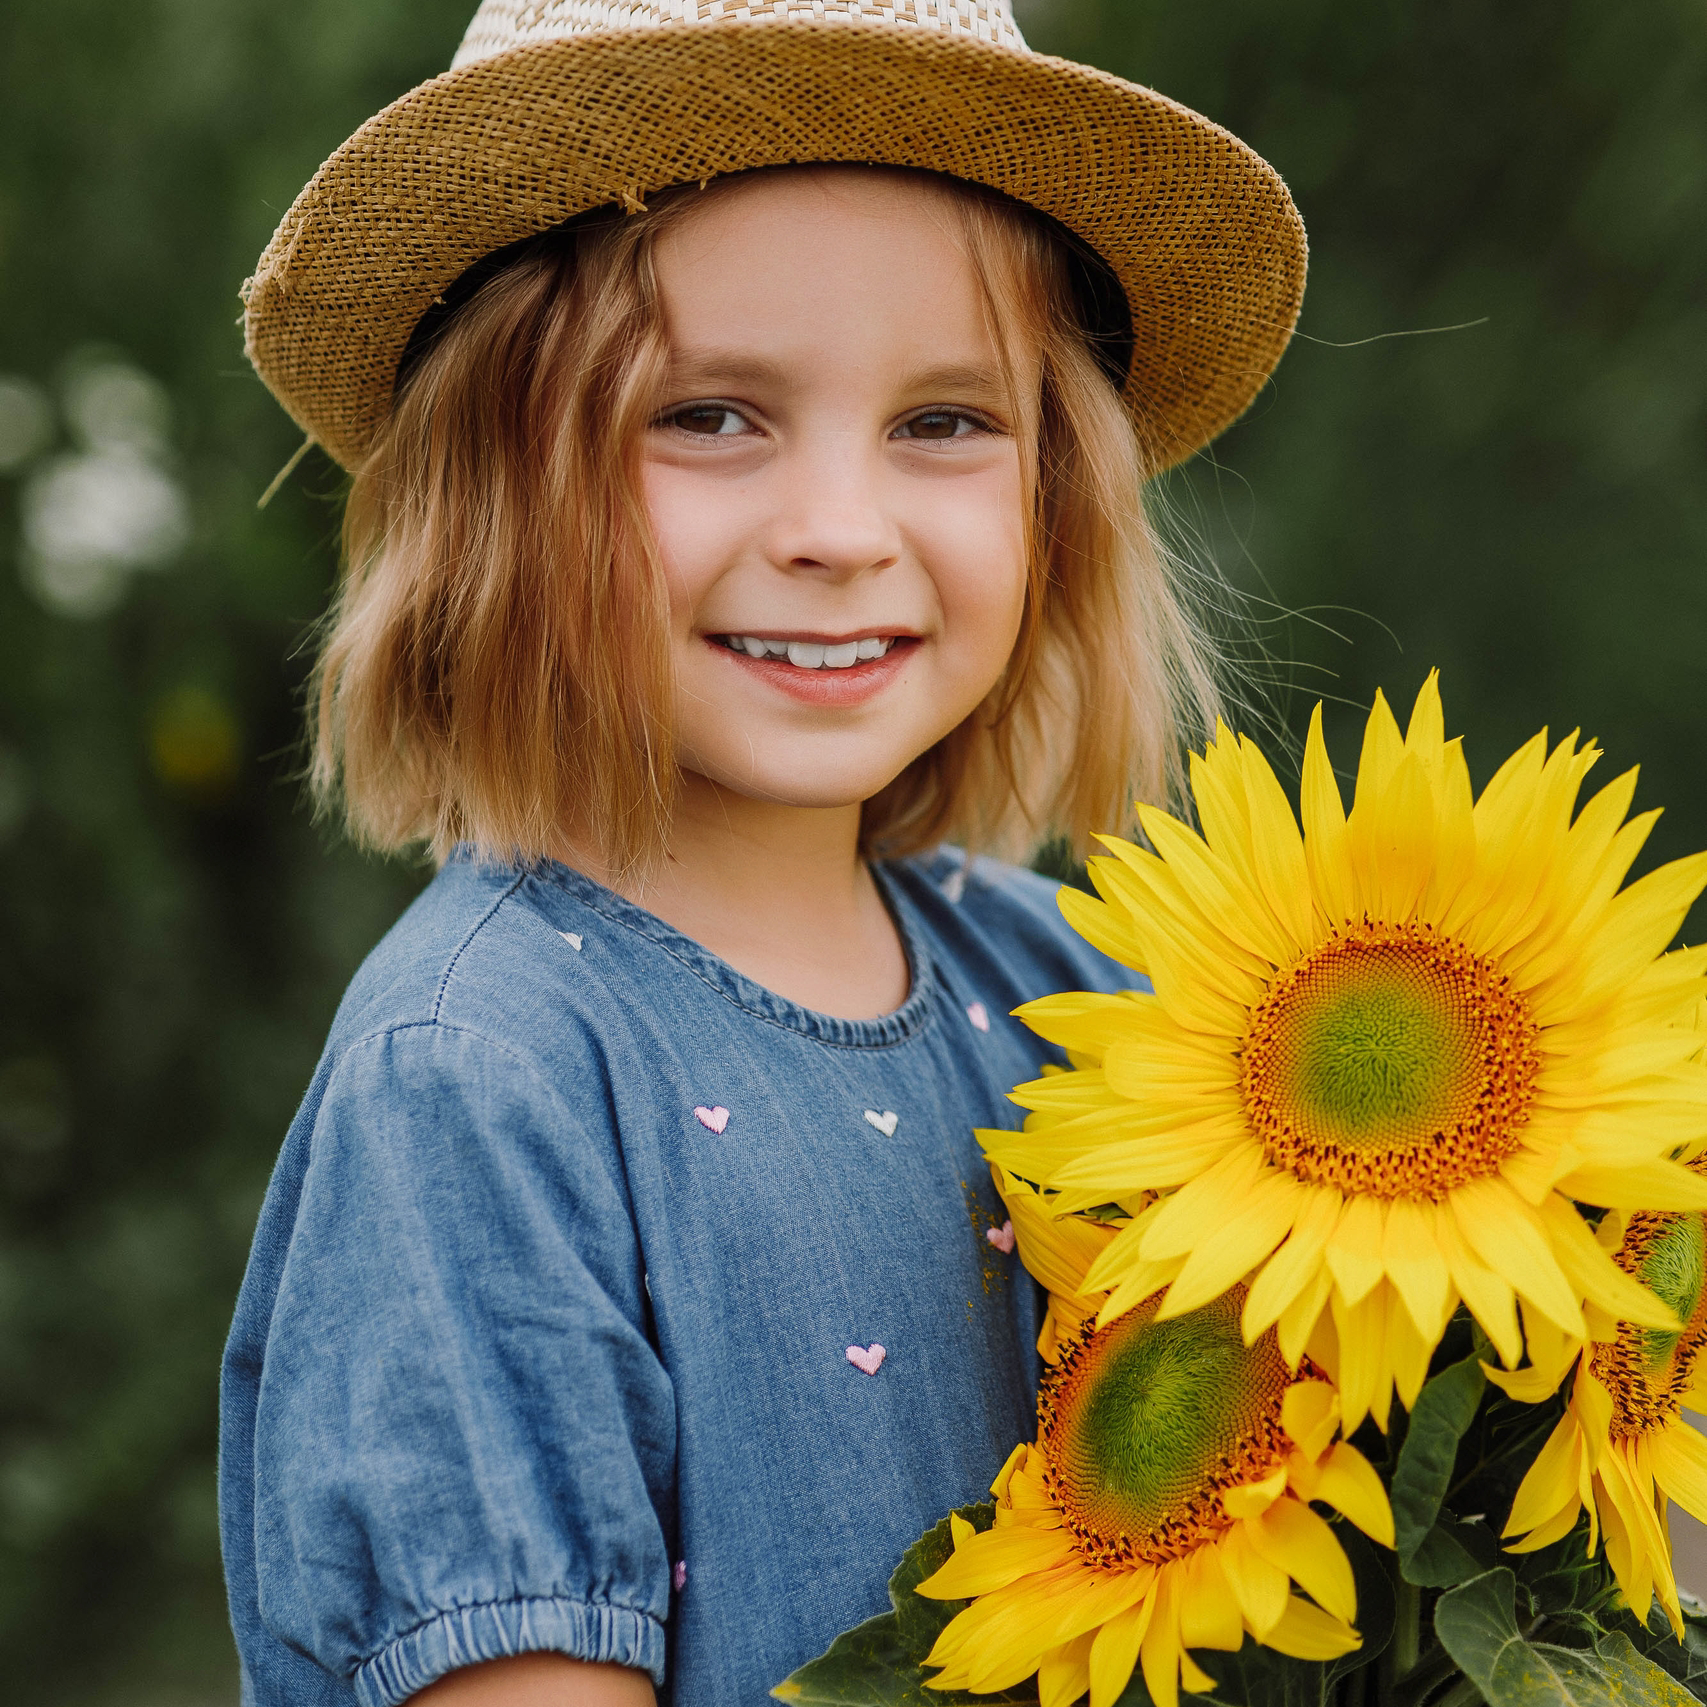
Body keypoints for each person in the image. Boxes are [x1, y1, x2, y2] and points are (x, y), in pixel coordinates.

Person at [219, 2, 1306, 1703]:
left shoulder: (1086, 990)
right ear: (494, 495)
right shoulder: (481, 1080)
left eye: (943, 421)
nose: (835, 531)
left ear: (1058, 504)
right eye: (711, 416)